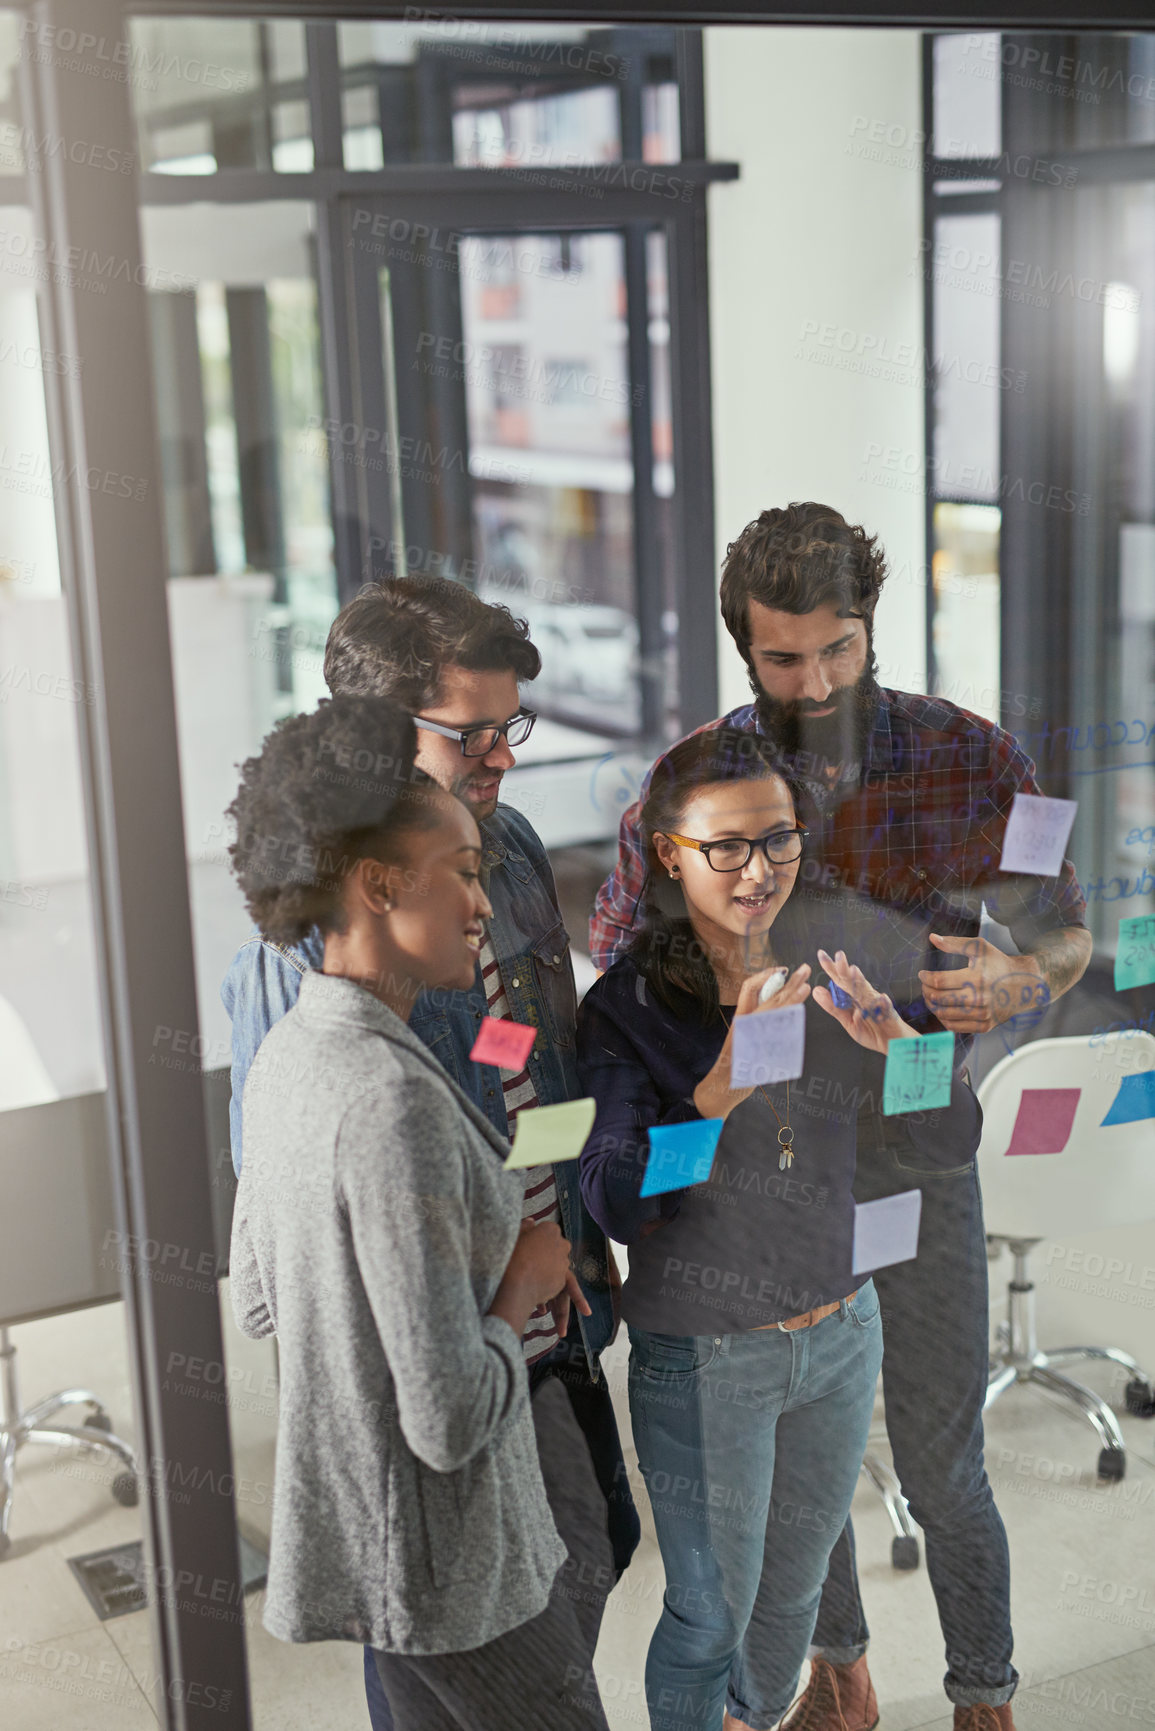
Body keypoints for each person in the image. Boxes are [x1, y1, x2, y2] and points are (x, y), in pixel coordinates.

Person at [590, 504, 1092, 1731]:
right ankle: (842, 1672)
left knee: (939, 1456)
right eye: (783, 658)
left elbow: (1067, 921)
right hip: (770, 1164)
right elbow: (620, 958)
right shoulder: (692, 781)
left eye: (839, 648)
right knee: (800, 1462)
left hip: (920, 1142)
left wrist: (1031, 976)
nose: (815, 681)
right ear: (742, 651)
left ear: (874, 627)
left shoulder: (979, 759)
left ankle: (985, 1697)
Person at [222, 577, 638, 1730]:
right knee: (472, 1616)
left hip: (551, 1281)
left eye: (515, 725)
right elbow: (290, 1225)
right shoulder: (308, 958)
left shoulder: (502, 847)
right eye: (473, 731)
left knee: (591, 1546)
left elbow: (541, 1054)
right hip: (449, 1348)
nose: (503, 755)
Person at [578, 727, 983, 1731]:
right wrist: (717, 1095)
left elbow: (952, 1137)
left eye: (780, 841)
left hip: (842, 1335)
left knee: (795, 1601)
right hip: (711, 1358)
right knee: (710, 1610)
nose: (759, 873)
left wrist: (900, 1052)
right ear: (669, 852)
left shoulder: (840, 961)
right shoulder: (631, 1005)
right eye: (727, 848)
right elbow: (616, 1197)